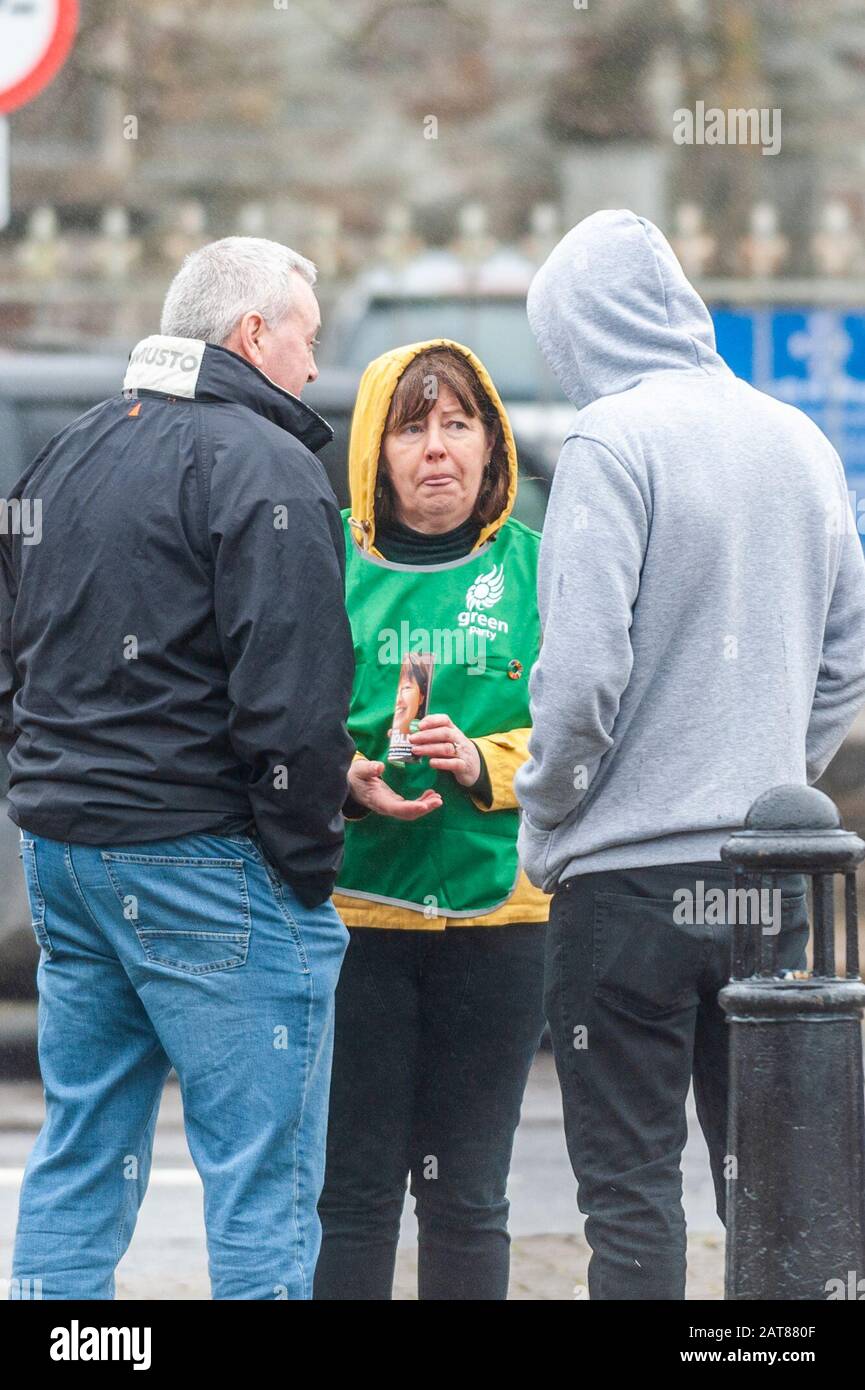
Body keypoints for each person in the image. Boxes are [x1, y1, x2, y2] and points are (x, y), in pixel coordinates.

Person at [515, 209, 865, 1301]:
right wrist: (771, 788)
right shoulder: (799, 440)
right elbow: (846, 660)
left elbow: (578, 680)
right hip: (769, 887)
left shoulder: (610, 441)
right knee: (774, 1187)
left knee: (629, 1194)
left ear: (577, 330)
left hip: (625, 885)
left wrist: (548, 817)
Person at [1, 237, 354, 1300]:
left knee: (80, 1155)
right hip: (206, 861)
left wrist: (48, 788)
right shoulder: (270, 468)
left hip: (67, 857)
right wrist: (305, 865)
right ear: (252, 333)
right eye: (307, 337)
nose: (311, 365)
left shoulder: (68, 451)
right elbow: (292, 699)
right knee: (260, 1186)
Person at [313, 341, 548, 1301]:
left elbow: (592, 728)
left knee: (468, 1197)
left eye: (458, 425)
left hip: (499, 923)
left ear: (492, 446)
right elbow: (265, 703)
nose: (437, 450)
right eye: (412, 427)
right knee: (354, 1194)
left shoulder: (538, 569)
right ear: (375, 446)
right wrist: (340, 771)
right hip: (355, 921)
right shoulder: (322, 555)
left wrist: (488, 762)